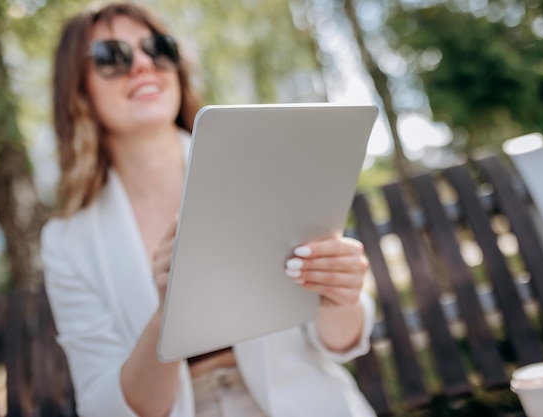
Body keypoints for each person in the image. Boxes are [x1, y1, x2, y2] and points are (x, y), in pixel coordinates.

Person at [41, 2, 377, 416]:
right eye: (112, 57)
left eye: (158, 48)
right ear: (78, 90)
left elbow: (340, 342)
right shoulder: (67, 242)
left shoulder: (259, 162)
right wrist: (170, 313)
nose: (143, 65)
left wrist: (340, 293)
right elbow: (105, 407)